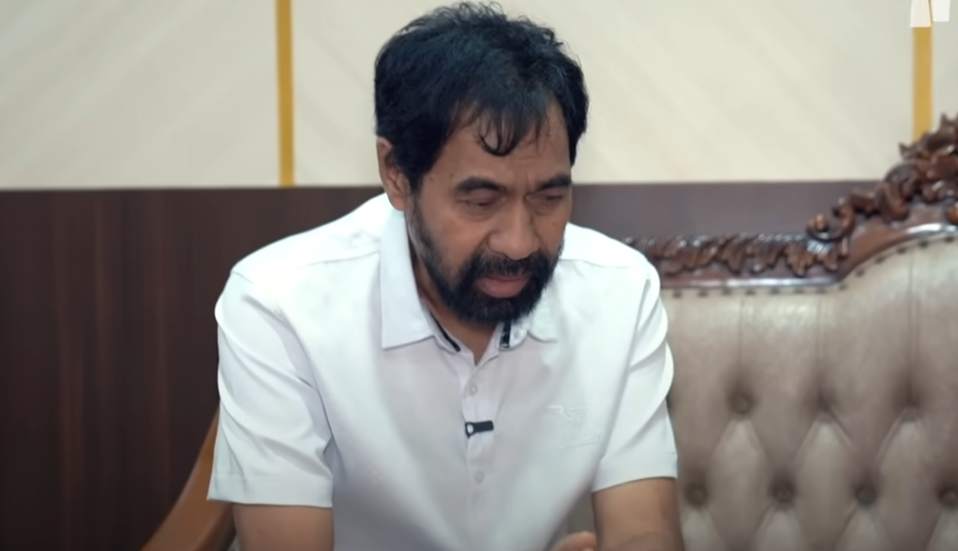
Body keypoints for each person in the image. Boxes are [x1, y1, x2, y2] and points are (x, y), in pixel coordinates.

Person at [208, 3, 683, 551]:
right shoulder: (279, 304)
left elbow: (644, 532)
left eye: (548, 198)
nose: (519, 242)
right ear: (397, 175)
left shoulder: (621, 293)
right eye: (481, 201)